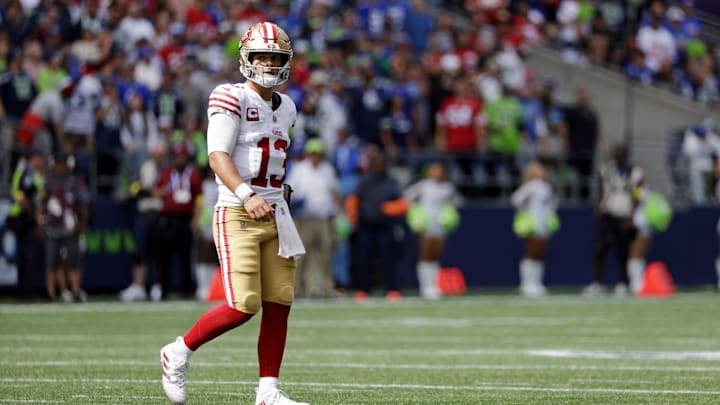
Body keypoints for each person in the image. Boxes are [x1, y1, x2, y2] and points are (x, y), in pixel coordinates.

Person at [159, 22, 308, 405]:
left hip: (276, 212)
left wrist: (277, 195)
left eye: (276, 57)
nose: (269, 63)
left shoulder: (287, 106)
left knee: (279, 303)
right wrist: (246, 193)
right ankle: (178, 350)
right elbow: (217, 156)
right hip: (238, 211)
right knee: (243, 305)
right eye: (262, 55)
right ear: (246, 58)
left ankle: (267, 392)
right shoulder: (229, 96)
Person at [346, 145, 409, 303]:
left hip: (385, 227)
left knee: (389, 260)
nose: (378, 165)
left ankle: (392, 290)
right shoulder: (364, 181)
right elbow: (353, 201)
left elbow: (403, 204)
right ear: (371, 164)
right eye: (376, 163)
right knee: (363, 260)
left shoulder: (392, 181)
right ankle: (362, 291)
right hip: (366, 226)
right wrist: (353, 218)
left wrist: (390, 209)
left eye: (381, 163)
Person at [285, 138, 341, 299]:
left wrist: (338, 212)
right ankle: (296, 289)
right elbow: (290, 191)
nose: (315, 157)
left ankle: (325, 288)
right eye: (312, 153)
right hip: (305, 218)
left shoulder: (327, 169)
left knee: (325, 254)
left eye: (318, 154)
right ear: (308, 154)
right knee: (300, 255)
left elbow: (335, 191)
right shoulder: (299, 169)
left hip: (324, 218)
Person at [583, 144, 637, 297]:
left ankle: (622, 283)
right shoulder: (605, 170)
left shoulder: (635, 172)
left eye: (620, 153)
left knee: (623, 251)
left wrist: (632, 214)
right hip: (608, 214)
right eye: (616, 153)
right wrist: (599, 206)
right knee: (600, 249)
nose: (617, 156)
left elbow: (637, 193)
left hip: (624, 214)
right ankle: (597, 283)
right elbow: (600, 189)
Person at [404, 161, 463, 299]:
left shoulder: (448, 187)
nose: (436, 173)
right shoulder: (423, 185)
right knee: (426, 254)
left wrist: (448, 213)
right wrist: (416, 213)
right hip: (425, 224)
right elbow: (407, 196)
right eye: (433, 170)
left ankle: (434, 286)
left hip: (440, 224)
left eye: (439, 170)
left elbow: (458, 202)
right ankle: (425, 287)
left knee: (435, 256)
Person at [42, 150, 90, 302]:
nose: (60, 166)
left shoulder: (75, 180)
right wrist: (41, 217)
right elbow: (41, 201)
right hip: (52, 226)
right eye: (58, 163)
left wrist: (82, 225)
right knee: (51, 260)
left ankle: (75, 290)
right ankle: (51, 292)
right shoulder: (48, 180)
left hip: (70, 227)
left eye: (63, 163)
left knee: (73, 260)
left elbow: (83, 203)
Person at [510, 161, 559, 298]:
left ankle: (537, 283)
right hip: (532, 223)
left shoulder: (546, 186)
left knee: (540, 254)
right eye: (539, 170)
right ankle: (526, 284)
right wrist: (525, 210)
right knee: (531, 252)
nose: (542, 173)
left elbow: (554, 203)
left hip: (544, 223)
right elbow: (515, 200)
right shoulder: (530, 186)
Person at [626, 167, 673, 294]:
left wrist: (630, 217)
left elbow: (635, 202)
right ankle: (637, 284)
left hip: (641, 224)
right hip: (643, 224)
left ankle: (636, 285)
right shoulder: (644, 189)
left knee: (635, 255)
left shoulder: (639, 189)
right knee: (637, 255)